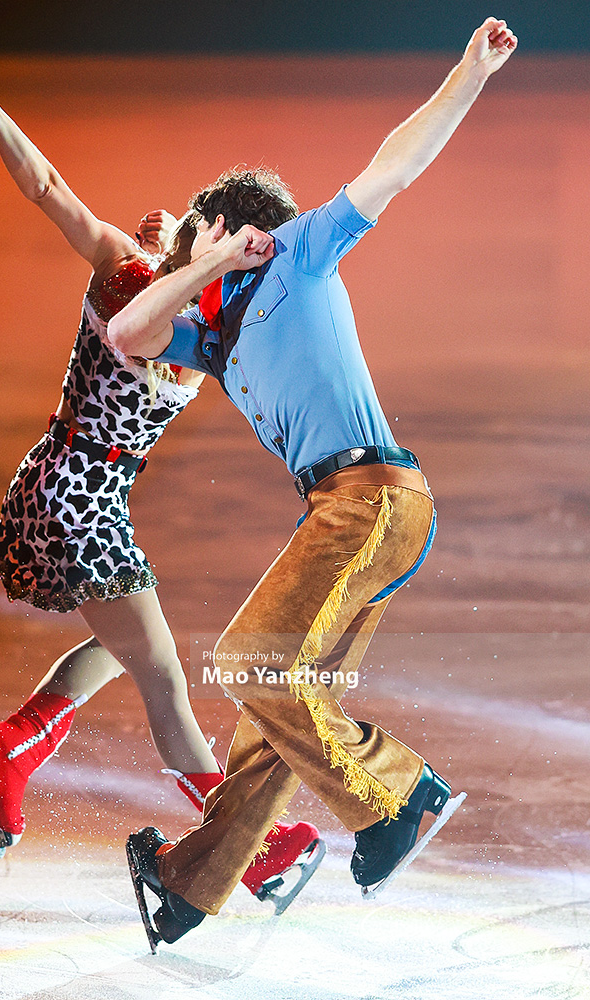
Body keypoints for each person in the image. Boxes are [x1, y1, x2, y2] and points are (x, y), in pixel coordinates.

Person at [108, 18, 518, 948]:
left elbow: (395, 164)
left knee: (256, 661)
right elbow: (125, 335)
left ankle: (402, 798)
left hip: (373, 499)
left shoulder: (301, 250)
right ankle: (187, 886)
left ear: (236, 225)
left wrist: (468, 71)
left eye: (197, 239)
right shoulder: (211, 336)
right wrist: (210, 260)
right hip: (350, 509)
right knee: (277, 705)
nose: (183, 260)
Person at [0, 64, 324, 911]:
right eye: (241, 250)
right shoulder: (128, 273)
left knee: (128, 647)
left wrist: (206, 257)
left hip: (84, 494)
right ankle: (244, 848)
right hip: (72, 491)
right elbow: (47, 188)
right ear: (220, 233)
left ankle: (4, 751)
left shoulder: (198, 312)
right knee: (162, 676)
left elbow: (203, 307)